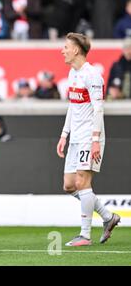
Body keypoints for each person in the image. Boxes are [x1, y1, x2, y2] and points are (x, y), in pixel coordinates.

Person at [57, 32, 120, 247]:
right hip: (75, 137)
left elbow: (98, 109)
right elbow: (72, 107)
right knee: (69, 185)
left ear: (76, 50)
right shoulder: (73, 73)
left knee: (82, 182)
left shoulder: (92, 75)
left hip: (89, 137)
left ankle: (85, 235)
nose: (62, 50)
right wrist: (64, 134)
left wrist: (95, 139)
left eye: (66, 47)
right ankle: (108, 217)